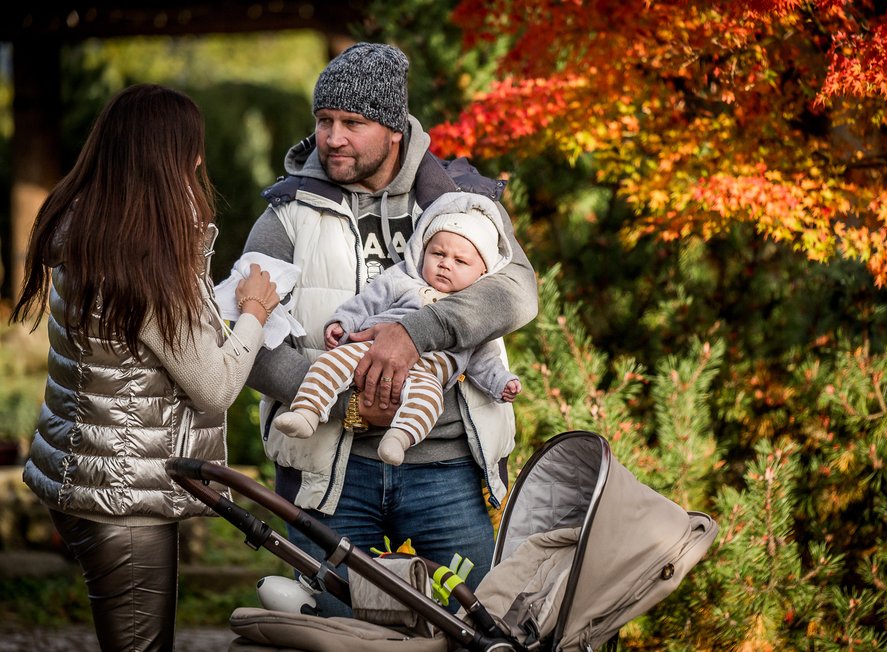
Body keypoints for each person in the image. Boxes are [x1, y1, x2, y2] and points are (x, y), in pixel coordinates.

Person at [242, 42, 538, 614]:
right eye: (324, 121)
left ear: (395, 129)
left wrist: (414, 333)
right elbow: (251, 344)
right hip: (330, 475)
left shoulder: (461, 200)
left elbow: (517, 292)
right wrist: (350, 399)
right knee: (330, 635)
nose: (332, 137)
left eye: (352, 123)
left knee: (477, 628)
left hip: (446, 471)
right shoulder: (286, 213)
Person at [10, 83, 280, 652]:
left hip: (85, 477)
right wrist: (254, 310)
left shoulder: (88, 226)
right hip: (122, 499)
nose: (201, 159)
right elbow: (214, 386)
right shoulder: (142, 262)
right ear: (171, 157)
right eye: (192, 147)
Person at [272, 191, 523, 465]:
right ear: (421, 251)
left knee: (428, 402)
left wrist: (501, 383)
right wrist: (343, 323)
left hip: (427, 375)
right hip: (369, 351)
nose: (445, 264)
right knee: (330, 362)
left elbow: (486, 361)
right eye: (437, 253)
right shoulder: (402, 280)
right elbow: (367, 302)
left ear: (482, 272)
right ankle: (307, 411)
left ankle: (398, 439)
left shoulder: (473, 312)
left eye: (460, 261)